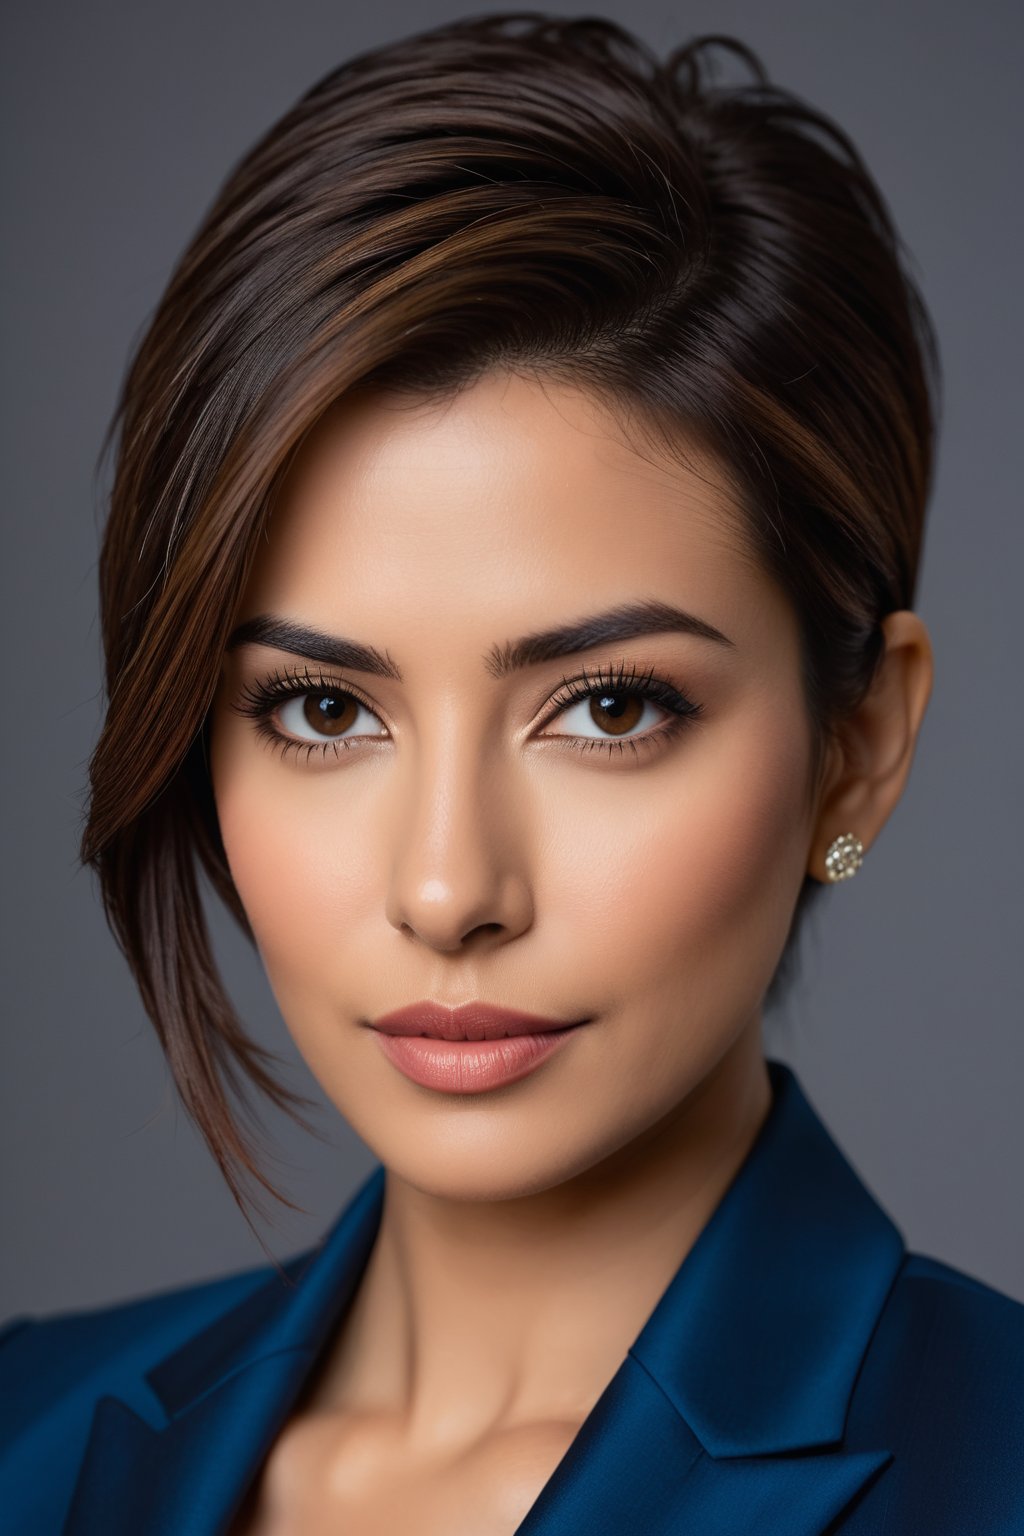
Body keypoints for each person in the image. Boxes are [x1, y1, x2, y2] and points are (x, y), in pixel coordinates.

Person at [1, 12, 1021, 1534]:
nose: (446, 888)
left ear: (856, 755)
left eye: (608, 709)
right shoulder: (27, 1435)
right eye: (324, 710)